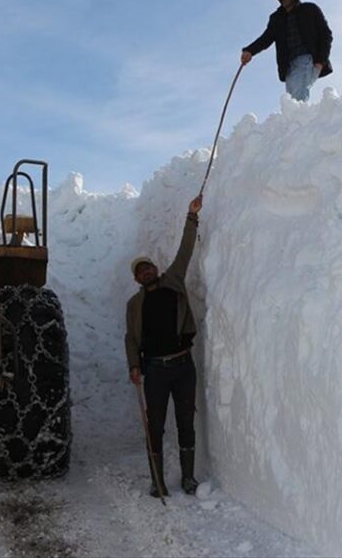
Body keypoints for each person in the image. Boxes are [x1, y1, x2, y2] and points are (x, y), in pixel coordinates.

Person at [125, 195, 204, 497]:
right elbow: (130, 338)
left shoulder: (173, 281)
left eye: (149, 267)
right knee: (154, 426)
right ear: (136, 279)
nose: (147, 272)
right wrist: (134, 365)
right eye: (141, 271)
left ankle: (188, 478)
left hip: (183, 365)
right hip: (155, 371)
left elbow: (186, 249)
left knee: (186, 420)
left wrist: (191, 215)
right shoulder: (134, 305)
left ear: (156, 268)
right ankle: (157, 482)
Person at [241, 0, 333, 102]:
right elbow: (265, 39)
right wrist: (250, 51)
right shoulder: (276, 18)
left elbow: (325, 35)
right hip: (288, 66)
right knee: (292, 100)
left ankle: (300, 120)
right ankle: (297, 120)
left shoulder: (309, 9)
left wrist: (320, 61)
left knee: (297, 98)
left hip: (307, 59)